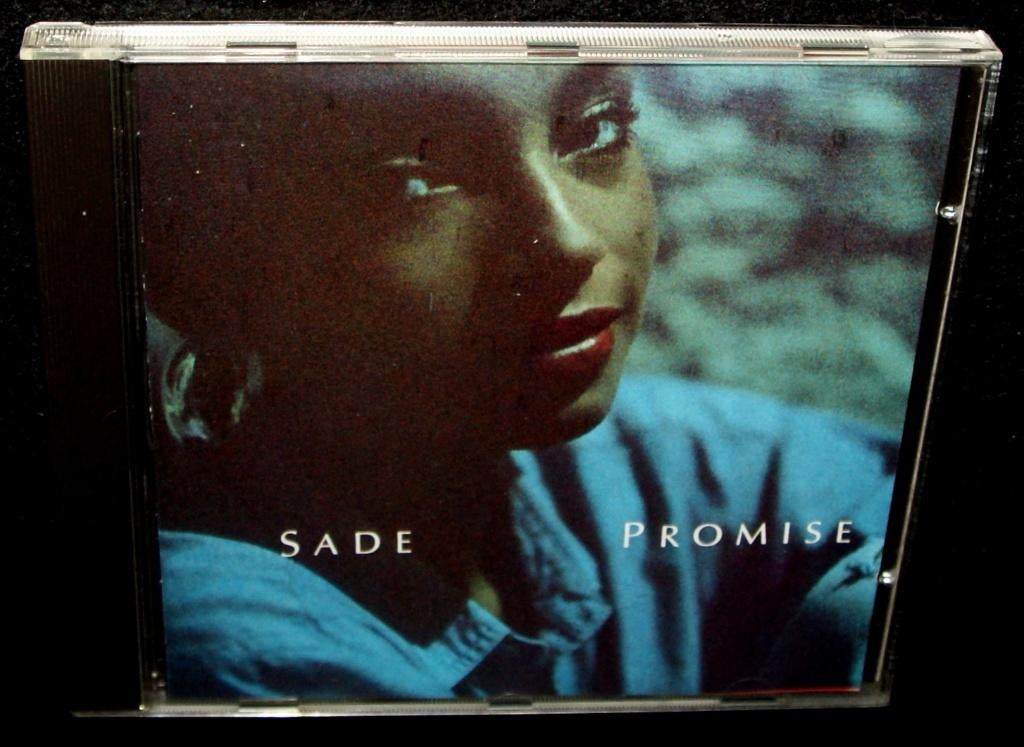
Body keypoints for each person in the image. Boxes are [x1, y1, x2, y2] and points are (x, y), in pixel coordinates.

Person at [140, 63, 897, 700]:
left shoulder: (646, 467)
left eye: (596, 131)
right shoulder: (238, 657)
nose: (569, 240)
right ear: (194, 268)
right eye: (414, 182)